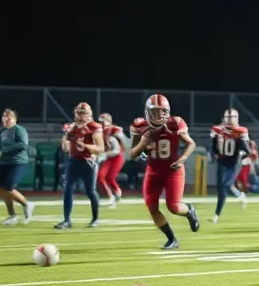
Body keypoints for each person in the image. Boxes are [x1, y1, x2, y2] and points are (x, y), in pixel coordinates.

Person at [128, 94, 200, 249]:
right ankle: (172, 239)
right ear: (148, 111)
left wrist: (183, 158)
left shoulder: (175, 123)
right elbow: (132, 154)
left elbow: (191, 143)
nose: (160, 115)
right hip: (153, 171)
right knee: (151, 207)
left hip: (173, 170)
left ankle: (189, 211)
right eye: (156, 111)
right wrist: (143, 142)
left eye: (163, 111)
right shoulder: (139, 125)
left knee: (173, 207)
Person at [57, 103, 104, 229]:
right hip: (73, 161)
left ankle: (95, 218)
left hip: (88, 162)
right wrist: (65, 138)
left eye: (83, 113)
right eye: (78, 113)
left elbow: (100, 148)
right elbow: (65, 148)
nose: (80, 116)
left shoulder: (94, 127)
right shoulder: (71, 127)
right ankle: (67, 220)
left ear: (89, 114)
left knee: (90, 192)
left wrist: (85, 146)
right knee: (68, 190)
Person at [0, 108, 34, 225]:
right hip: (3, 163)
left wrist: (3, 151)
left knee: (8, 187)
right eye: (4, 116)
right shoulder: (1, 131)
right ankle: (12, 214)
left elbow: (22, 145)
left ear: (15, 119)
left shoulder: (19, 130)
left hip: (17, 162)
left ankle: (26, 204)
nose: (5, 119)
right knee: (0, 188)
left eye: (9, 117)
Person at [209, 108, 250, 223]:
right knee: (223, 187)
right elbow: (213, 145)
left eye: (233, 117)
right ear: (225, 118)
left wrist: (244, 156)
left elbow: (247, 149)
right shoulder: (217, 129)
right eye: (229, 117)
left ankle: (216, 216)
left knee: (224, 185)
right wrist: (212, 154)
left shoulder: (240, 131)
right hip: (222, 161)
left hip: (234, 163)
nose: (231, 120)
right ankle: (241, 196)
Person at [96, 113, 126, 207]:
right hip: (108, 157)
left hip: (117, 157)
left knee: (110, 177)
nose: (102, 124)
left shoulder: (114, 131)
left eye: (103, 121)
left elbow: (117, 149)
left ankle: (117, 193)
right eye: (100, 122)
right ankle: (111, 196)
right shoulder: (100, 132)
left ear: (109, 121)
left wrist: (104, 154)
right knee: (100, 176)